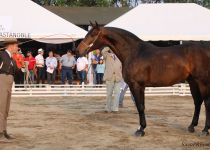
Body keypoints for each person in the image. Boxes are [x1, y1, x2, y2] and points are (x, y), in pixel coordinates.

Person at [0, 38, 18, 142]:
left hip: (9, 81)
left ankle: (4, 130)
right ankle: (0, 133)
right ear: (10, 46)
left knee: (5, 109)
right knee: (1, 108)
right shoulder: (2, 55)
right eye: (16, 46)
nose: (17, 47)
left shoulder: (12, 58)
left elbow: (16, 72)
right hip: (2, 79)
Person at [102, 47, 123, 113]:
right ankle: (108, 108)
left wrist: (121, 76)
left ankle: (115, 108)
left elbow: (121, 67)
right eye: (112, 48)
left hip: (118, 77)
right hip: (109, 77)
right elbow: (103, 51)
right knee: (109, 94)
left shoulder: (120, 56)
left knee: (117, 94)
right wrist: (109, 46)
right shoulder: (107, 55)